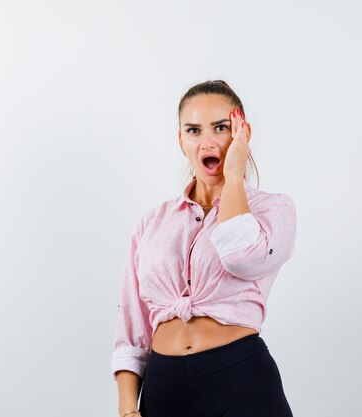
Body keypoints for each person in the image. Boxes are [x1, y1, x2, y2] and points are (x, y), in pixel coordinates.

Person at [111, 80, 297, 417]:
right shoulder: (151, 223)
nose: (207, 141)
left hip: (241, 383)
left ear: (242, 133)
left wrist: (234, 177)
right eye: (194, 130)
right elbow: (132, 327)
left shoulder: (273, 211)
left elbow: (242, 257)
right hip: (163, 389)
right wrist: (127, 408)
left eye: (221, 128)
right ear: (181, 140)